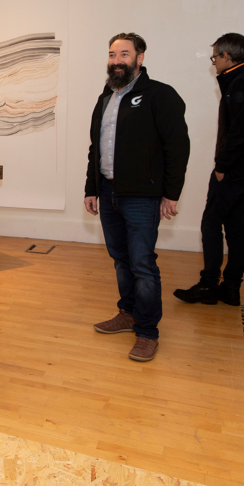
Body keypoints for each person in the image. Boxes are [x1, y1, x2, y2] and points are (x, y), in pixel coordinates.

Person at [84, 33, 190, 362]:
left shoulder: (160, 95)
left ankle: (147, 332)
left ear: (139, 58)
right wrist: (91, 187)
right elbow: (95, 148)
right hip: (109, 191)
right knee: (120, 259)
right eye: (112, 54)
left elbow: (178, 148)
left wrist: (171, 194)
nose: (116, 60)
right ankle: (127, 313)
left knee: (143, 264)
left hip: (142, 197)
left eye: (124, 54)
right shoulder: (106, 97)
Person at [174, 33, 244, 306]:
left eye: (215, 57)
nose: (214, 62)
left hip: (235, 169)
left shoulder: (241, 83)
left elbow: (239, 134)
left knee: (210, 223)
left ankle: (208, 286)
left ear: (227, 57)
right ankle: (230, 288)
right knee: (234, 225)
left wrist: (221, 167)